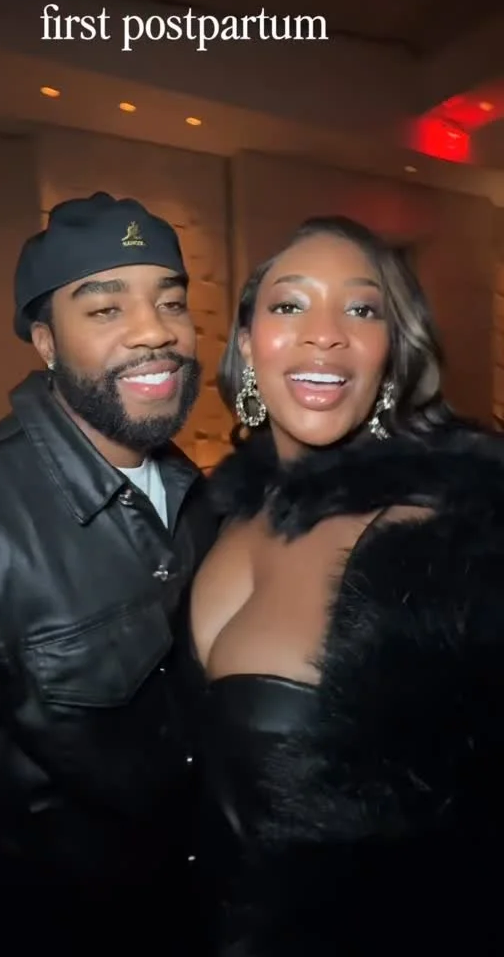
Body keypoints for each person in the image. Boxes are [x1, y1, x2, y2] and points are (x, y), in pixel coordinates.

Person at [0, 192, 218, 955]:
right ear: (46, 342)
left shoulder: (201, 496)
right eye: (105, 309)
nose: (155, 331)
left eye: (171, 302)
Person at [186, 215, 504, 955]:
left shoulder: (451, 548)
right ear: (246, 344)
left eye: (362, 309)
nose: (325, 334)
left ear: (392, 355)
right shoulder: (213, 512)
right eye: (289, 304)